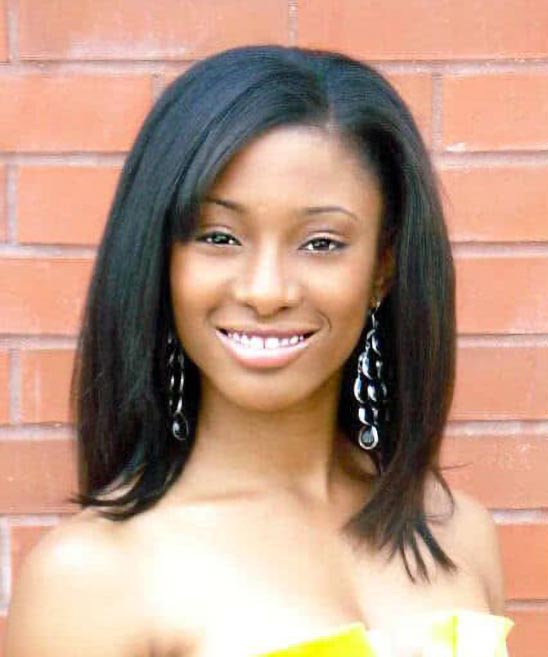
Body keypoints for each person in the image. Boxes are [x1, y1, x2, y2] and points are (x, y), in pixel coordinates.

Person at [4, 45, 514, 657]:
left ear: (382, 267)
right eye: (219, 237)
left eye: (321, 243)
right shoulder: (95, 576)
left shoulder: (459, 533)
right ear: (160, 260)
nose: (267, 291)